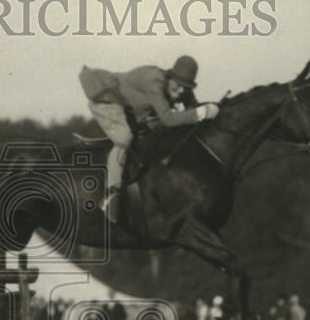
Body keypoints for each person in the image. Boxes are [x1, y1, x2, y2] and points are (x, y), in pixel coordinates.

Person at [79, 55, 220, 220]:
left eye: (186, 88)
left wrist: (215, 109)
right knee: (125, 138)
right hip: (107, 101)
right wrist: (202, 112)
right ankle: (111, 195)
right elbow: (169, 118)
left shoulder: (179, 88)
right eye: (179, 85)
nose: (181, 91)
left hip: (133, 109)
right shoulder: (153, 81)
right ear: (170, 78)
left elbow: (194, 110)